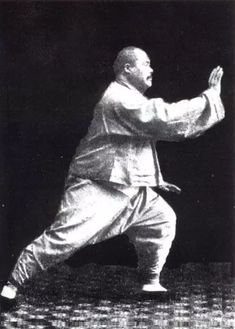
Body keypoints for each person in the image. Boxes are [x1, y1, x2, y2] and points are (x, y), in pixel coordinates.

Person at [0, 46, 224, 310]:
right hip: (98, 186)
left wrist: (155, 179)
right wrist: (208, 98)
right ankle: (10, 286)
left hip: (129, 187)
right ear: (127, 68)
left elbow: (141, 141)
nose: (152, 69)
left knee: (162, 221)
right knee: (65, 239)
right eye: (146, 64)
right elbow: (164, 119)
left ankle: (150, 281)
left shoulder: (130, 98)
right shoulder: (117, 99)